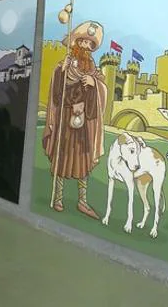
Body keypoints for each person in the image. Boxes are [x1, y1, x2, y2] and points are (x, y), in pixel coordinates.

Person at [42, 20, 108, 219]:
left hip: (84, 123)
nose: (87, 47)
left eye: (90, 45)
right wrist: (63, 76)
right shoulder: (65, 65)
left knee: (82, 160)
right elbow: (56, 93)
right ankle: (59, 197)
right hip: (66, 119)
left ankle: (82, 201)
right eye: (84, 42)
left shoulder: (93, 69)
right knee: (63, 157)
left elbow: (102, 90)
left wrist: (94, 84)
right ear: (76, 43)